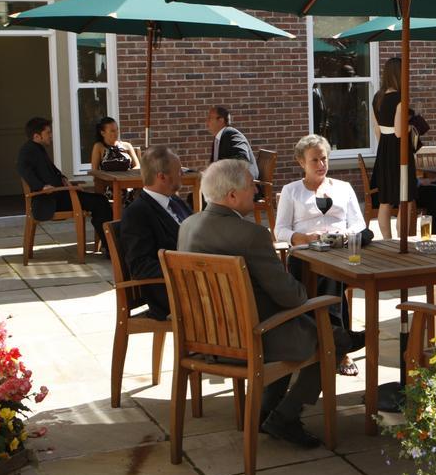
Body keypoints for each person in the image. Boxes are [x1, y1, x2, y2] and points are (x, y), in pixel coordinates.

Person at [178, 159, 363, 448]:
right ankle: (285, 416)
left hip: (204, 337)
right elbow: (292, 297)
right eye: (251, 187)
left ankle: (266, 409)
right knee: (331, 338)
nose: (257, 191)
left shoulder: (187, 226)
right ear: (232, 196)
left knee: (303, 329)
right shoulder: (251, 235)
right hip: (251, 338)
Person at [275, 134, 366, 376]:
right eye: (314, 160)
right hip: (305, 256)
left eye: (324, 159)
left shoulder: (343, 188)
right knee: (330, 275)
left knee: (334, 272)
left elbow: (359, 225)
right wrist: (301, 238)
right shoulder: (291, 191)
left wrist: (343, 234)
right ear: (301, 163)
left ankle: (332, 344)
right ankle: (340, 345)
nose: (321, 165)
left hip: (339, 252)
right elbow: (280, 229)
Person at [17, 117, 112, 256]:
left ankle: (108, 245)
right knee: (101, 202)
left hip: (60, 195)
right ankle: (110, 248)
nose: (51, 135)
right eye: (48, 133)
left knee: (100, 201)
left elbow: (53, 170)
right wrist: (41, 187)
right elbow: (23, 169)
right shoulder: (28, 150)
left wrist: (63, 179)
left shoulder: (38, 149)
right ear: (37, 136)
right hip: (51, 201)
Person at [119, 146, 191, 319]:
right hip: (169, 294)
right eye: (179, 171)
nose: (182, 173)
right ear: (162, 177)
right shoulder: (137, 212)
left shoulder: (175, 201)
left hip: (193, 284)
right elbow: (140, 266)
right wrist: (186, 268)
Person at [371, 58, 417, 239]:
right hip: (400, 152)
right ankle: (401, 240)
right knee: (405, 199)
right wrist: (410, 126)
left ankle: (387, 240)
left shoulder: (377, 97)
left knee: (385, 200)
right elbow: (399, 132)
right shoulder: (401, 98)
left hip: (383, 150)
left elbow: (377, 129)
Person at [206, 105, 258, 180]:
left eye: (210, 118)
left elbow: (242, 158)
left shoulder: (230, 133)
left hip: (243, 185)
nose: (207, 122)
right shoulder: (218, 138)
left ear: (221, 120)